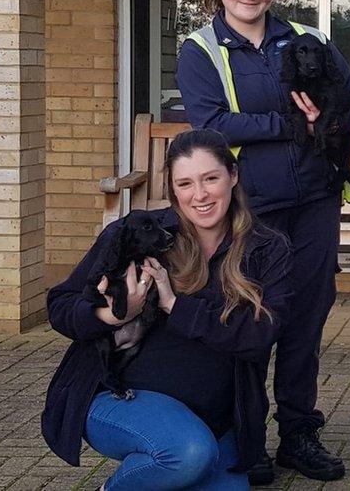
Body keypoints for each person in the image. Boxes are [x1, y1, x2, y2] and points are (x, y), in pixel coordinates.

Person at [175, 0, 350, 483]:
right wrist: (293, 124)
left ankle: (299, 435)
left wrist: (329, 117)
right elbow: (211, 124)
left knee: (305, 321)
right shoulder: (201, 50)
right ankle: (247, 438)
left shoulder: (309, 40)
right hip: (248, 211)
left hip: (314, 202)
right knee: (249, 323)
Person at [41, 129, 292, 490]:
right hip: (119, 400)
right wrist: (110, 316)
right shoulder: (140, 232)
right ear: (173, 189)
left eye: (211, 179)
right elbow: (60, 304)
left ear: (233, 176)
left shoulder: (267, 249)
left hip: (216, 420)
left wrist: (174, 305)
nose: (200, 195)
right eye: (185, 183)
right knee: (186, 454)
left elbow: (258, 338)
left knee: (194, 456)